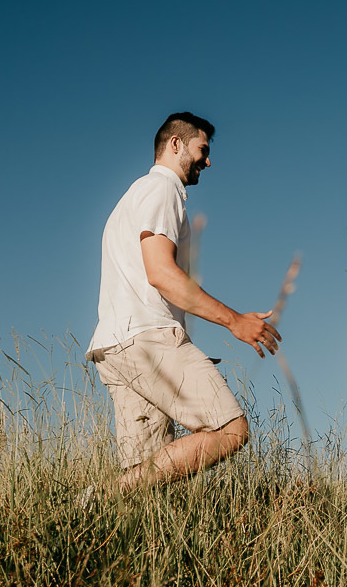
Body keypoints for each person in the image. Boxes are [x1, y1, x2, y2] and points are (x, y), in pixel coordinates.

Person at [87, 111, 281, 493]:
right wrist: (234, 321)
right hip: (147, 338)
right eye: (202, 149)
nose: (208, 161)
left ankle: (98, 507)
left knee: (148, 488)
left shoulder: (131, 196)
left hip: (115, 346)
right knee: (230, 429)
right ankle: (100, 495)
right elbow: (160, 272)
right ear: (176, 144)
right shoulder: (163, 190)